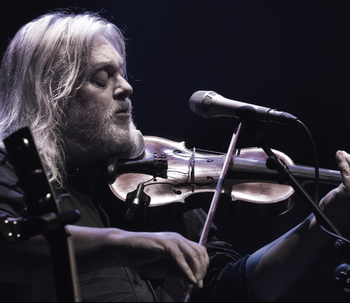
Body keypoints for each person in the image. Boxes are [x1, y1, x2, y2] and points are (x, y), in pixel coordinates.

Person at [0, 11, 349, 302]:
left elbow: (233, 290)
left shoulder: (160, 184)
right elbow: (7, 248)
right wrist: (129, 245)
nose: (126, 87)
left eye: (121, 73)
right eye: (101, 78)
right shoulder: (11, 166)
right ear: (52, 95)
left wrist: (325, 217)